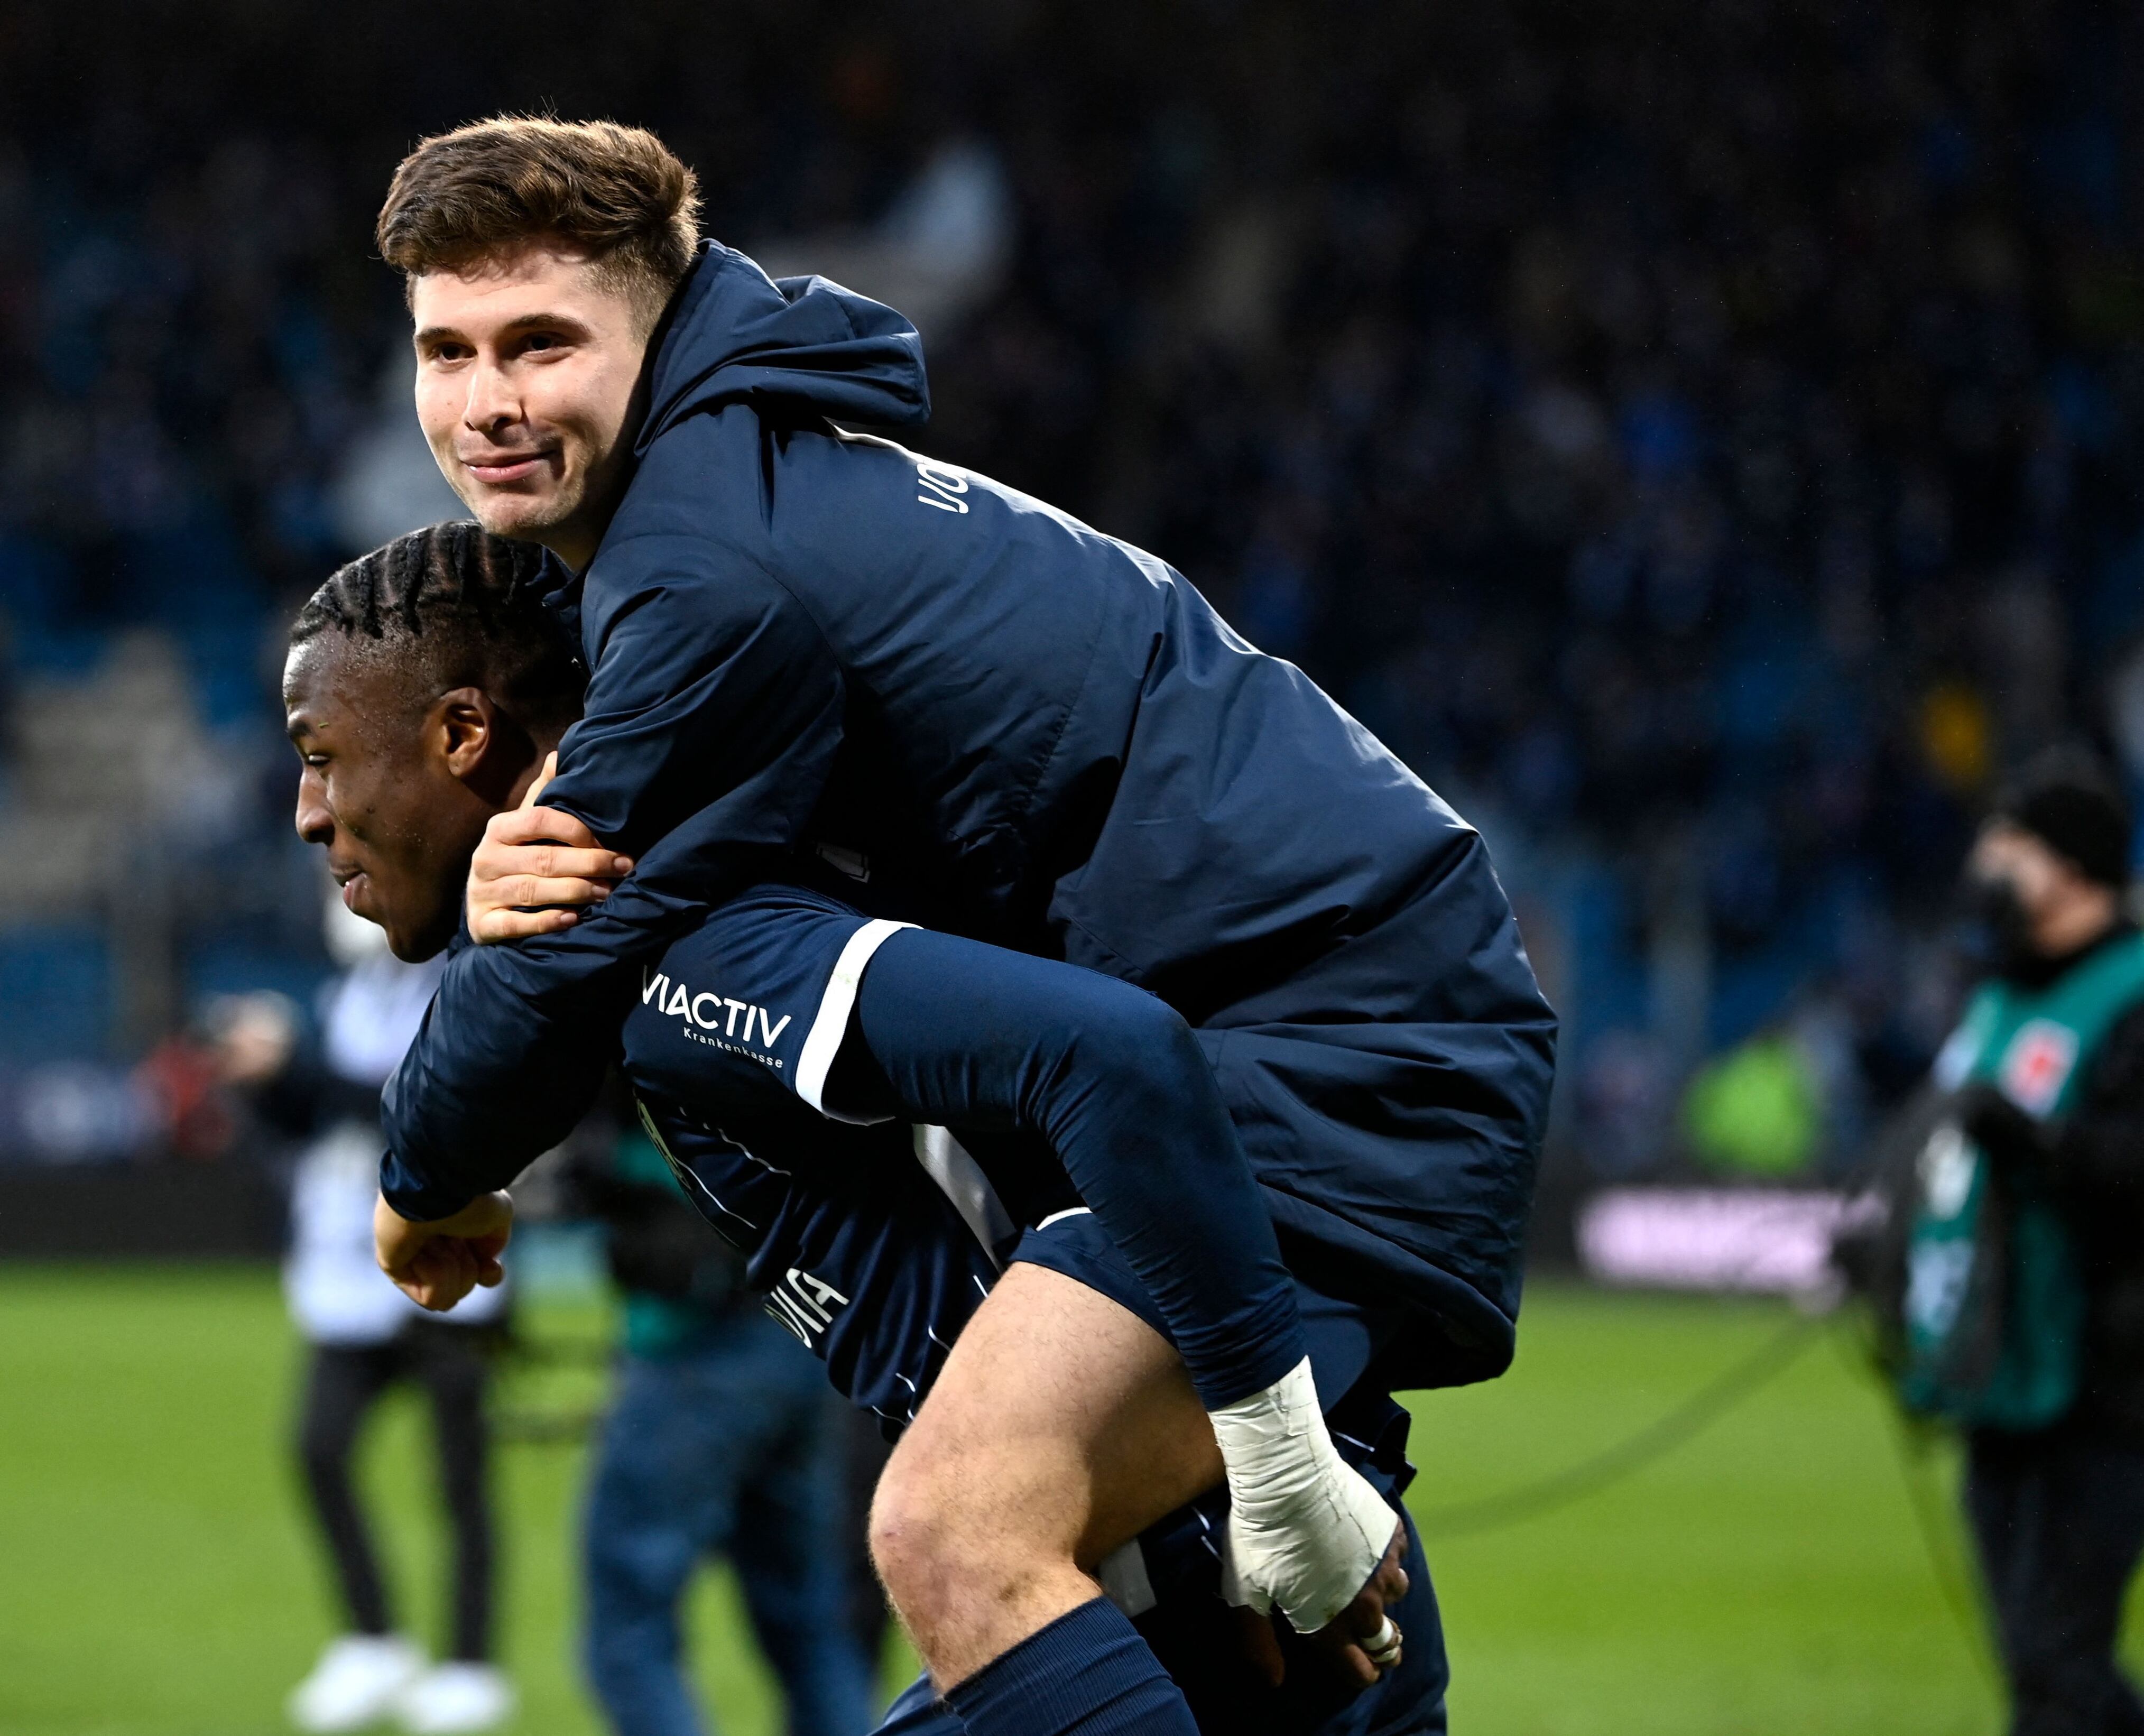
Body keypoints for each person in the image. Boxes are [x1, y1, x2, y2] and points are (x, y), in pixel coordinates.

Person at [359, 117, 1552, 1723]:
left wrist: (423, 1172)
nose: (486, 400)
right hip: (1295, 1015)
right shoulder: (738, 482)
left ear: (660, 315)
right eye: (446, 350)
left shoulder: (702, 567)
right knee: (1224, 1629)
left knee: (956, 1526)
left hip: (1312, 1037)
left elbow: (568, 960)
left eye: (541, 343)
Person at [285, 522, 1433, 1733]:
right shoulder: (660, 908)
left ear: (462, 735)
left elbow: (1118, 1056)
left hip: (1195, 1585)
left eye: (321, 756)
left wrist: (1268, 1464)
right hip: (1162, 1567)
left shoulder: (693, 941)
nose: (310, 811)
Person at [214, 909, 511, 1735]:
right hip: (350, 1271)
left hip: (450, 1269)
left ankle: (469, 1664)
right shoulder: (357, 990)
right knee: (319, 1449)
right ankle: (374, 1638)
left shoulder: (469, 983)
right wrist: (263, 1084)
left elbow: (413, 1108)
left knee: (460, 1482)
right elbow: (321, 1122)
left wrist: (296, 1072)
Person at [1930, 750, 2144, 1736]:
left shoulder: (2133, 993)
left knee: (2060, 1666)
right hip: (2001, 1370)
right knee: (2037, 1666)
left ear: (2071, 864)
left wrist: (2038, 1140)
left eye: (2010, 840)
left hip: (2105, 1381)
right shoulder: (2000, 992)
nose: (1987, 860)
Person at [572, 1116, 876, 1736]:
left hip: (693, 1344)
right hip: (795, 1336)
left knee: (627, 1626)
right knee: (807, 1620)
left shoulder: (654, 1047)